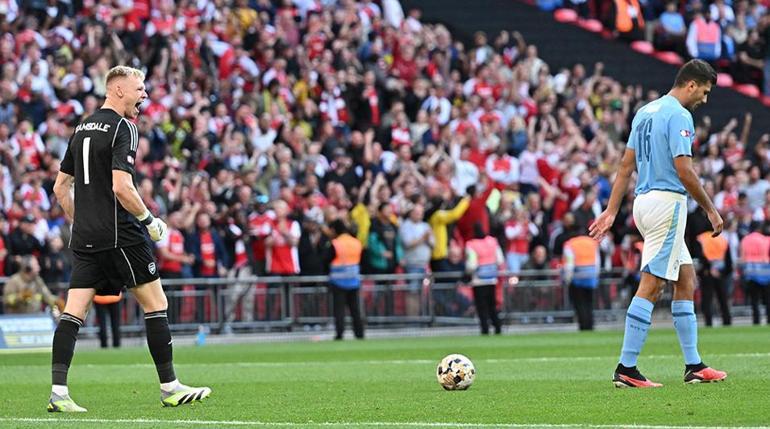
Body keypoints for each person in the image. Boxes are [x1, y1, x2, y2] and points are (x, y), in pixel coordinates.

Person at [49, 66, 210, 412]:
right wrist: (150, 221)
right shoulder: (125, 128)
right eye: (140, 88)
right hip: (122, 233)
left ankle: (58, 393)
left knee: (73, 312)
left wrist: (84, 221)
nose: (144, 95)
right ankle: (170, 387)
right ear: (118, 90)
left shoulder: (81, 128)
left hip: (86, 237)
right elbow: (122, 186)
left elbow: (60, 187)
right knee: (156, 304)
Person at [590, 59, 727, 388]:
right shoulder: (680, 115)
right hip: (667, 202)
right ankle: (627, 366)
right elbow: (684, 170)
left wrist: (611, 211)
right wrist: (710, 209)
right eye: (704, 92)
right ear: (691, 85)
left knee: (686, 277)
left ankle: (694, 364)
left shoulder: (645, 112)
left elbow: (625, 167)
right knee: (653, 284)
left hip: (644, 202)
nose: (704, 100)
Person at [324, 220, 364, 340]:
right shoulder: (356, 242)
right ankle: (359, 333)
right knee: (355, 309)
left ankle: (340, 333)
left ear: (334, 230)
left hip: (338, 281)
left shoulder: (336, 243)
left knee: (339, 310)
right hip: (353, 279)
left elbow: (326, 259)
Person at [465, 223, 504, 335]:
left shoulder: (471, 245)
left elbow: (471, 265)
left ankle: (485, 328)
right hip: (491, 278)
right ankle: (497, 327)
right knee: (492, 305)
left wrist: (467, 272)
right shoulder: (492, 242)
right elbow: (500, 260)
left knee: (481, 307)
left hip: (478, 280)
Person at [694, 229, 732, 327]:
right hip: (720, 273)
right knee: (723, 299)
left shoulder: (701, 238)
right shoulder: (722, 239)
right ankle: (727, 320)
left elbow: (699, 256)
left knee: (707, 299)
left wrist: (707, 269)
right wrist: (723, 273)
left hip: (707, 273)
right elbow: (728, 260)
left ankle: (708, 322)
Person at [563, 233, 600, 331]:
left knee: (579, 303)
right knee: (589, 302)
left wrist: (568, 278)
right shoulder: (592, 242)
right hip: (591, 277)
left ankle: (583, 325)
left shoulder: (570, 244)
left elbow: (569, 263)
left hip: (577, 277)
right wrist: (596, 276)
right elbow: (597, 261)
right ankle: (590, 324)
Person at [739, 224, 770, 325]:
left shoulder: (745, 240)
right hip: (765, 273)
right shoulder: (766, 239)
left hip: (750, 273)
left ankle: (756, 321)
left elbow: (742, 258)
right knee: (767, 299)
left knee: (754, 300)